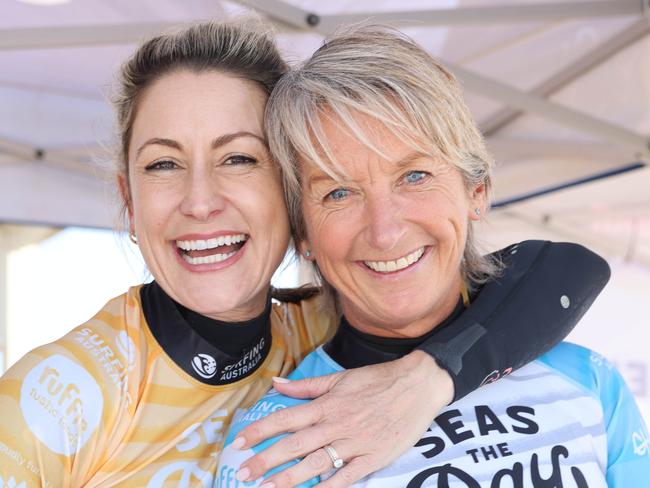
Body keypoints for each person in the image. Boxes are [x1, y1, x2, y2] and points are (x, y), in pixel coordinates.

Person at [0, 21, 608, 488]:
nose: (200, 201)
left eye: (239, 157)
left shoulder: (318, 318)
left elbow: (562, 271)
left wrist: (430, 377)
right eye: (163, 164)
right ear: (129, 201)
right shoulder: (65, 395)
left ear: (290, 208)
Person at [219, 25, 650, 487]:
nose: (385, 232)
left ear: (476, 191)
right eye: (339, 192)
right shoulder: (276, 441)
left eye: (415, 176)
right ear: (302, 233)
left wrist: (432, 375)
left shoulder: (585, 378)